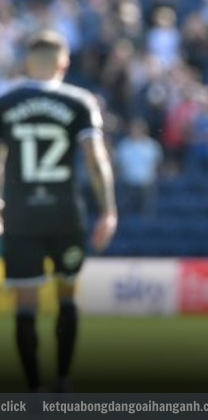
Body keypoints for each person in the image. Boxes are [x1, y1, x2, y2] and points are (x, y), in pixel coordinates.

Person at [0, 30, 117, 393]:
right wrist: (109, 210)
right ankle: (63, 380)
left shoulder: (6, 102)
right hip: (66, 213)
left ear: (27, 63)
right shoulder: (79, 101)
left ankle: (34, 388)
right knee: (67, 295)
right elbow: (96, 160)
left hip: (20, 216)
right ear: (64, 63)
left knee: (26, 302)